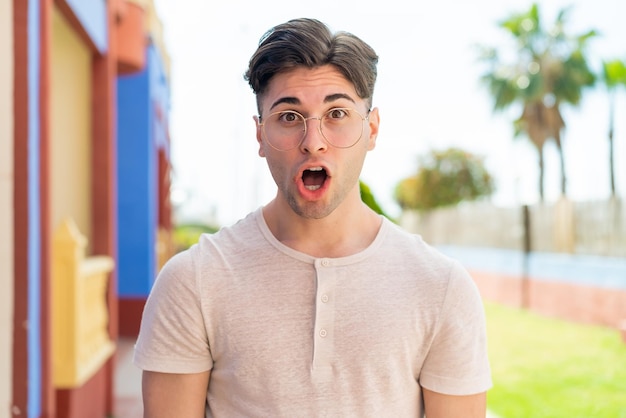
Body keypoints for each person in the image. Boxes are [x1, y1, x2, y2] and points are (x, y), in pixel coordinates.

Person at [134, 17, 492, 418]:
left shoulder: (441, 287)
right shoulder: (194, 281)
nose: (314, 142)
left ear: (371, 129)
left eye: (336, 114)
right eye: (289, 117)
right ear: (259, 136)